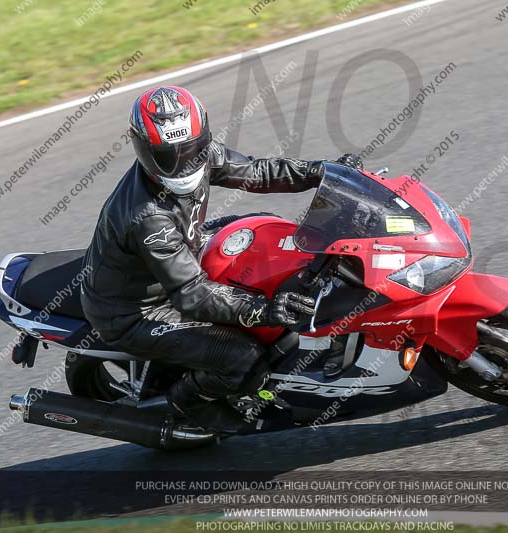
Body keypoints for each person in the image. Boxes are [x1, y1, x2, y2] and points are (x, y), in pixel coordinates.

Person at [81, 85, 362, 434]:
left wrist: (323, 172)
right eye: (170, 155)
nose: (184, 162)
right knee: (242, 357)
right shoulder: (149, 219)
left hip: (181, 258)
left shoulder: (201, 155)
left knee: (265, 229)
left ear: (202, 138)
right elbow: (192, 295)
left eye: (192, 149)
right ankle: (189, 402)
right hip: (138, 311)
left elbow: (257, 172)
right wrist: (266, 309)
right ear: (145, 149)